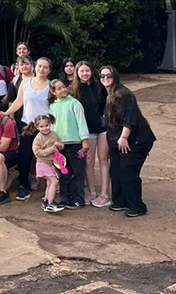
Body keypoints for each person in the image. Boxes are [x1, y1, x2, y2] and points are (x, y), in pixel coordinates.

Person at [101, 66, 155, 217]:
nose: (105, 78)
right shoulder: (109, 94)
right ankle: (120, 201)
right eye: (102, 75)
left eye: (108, 75)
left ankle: (137, 206)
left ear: (115, 76)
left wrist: (124, 137)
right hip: (117, 140)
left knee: (127, 170)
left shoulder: (123, 94)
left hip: (136, 139)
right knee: (116, 169)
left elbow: (129, 119)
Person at [3, 56, 52, 201]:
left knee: (47, 157)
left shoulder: (51, 86)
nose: (42, 69)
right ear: (35, 67)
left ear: (49, 70)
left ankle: (51, 187)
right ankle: (23, 186)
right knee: (25, 157)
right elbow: (19, 101)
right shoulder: (26, 82)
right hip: (27, 125)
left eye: (45, 67)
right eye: (40, 66)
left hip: (45, 127)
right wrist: (6, 113)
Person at [73, 61, 110, 207]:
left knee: (102, 159)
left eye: (87, 70)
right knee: (88, 161)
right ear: (77, 73)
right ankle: (92, 192)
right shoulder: (74, 90)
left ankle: (105, 194)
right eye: (81, 71)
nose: (84, 74)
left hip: (103, 128)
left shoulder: (99, 86)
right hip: (86, 131)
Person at [49, 78, 90, 209]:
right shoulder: (52, 106)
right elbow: (52, 126)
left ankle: (78, 199)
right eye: (59, 88)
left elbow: (81, 122)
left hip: (75, 143)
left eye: (64, 87)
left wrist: (85, 140)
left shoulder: (74, 103)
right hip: (60, 146)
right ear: (53, 92)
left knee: (78, 172)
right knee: (64, 172)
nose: (63, 90)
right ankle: (65, 198)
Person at [26, 114, 65, 213]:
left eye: (46, 125)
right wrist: (50, 150)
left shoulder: (54, 134)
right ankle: (50, 203)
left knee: (49, 183)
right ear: (37, 127)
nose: (45, 128)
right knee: (54, 181)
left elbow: (61, 145)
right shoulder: (38, 138)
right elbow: (37, 153)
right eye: (41, 126)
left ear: (50, 124)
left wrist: (59, 145)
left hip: (52, 163)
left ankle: (47, 201)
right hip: (42, 163)